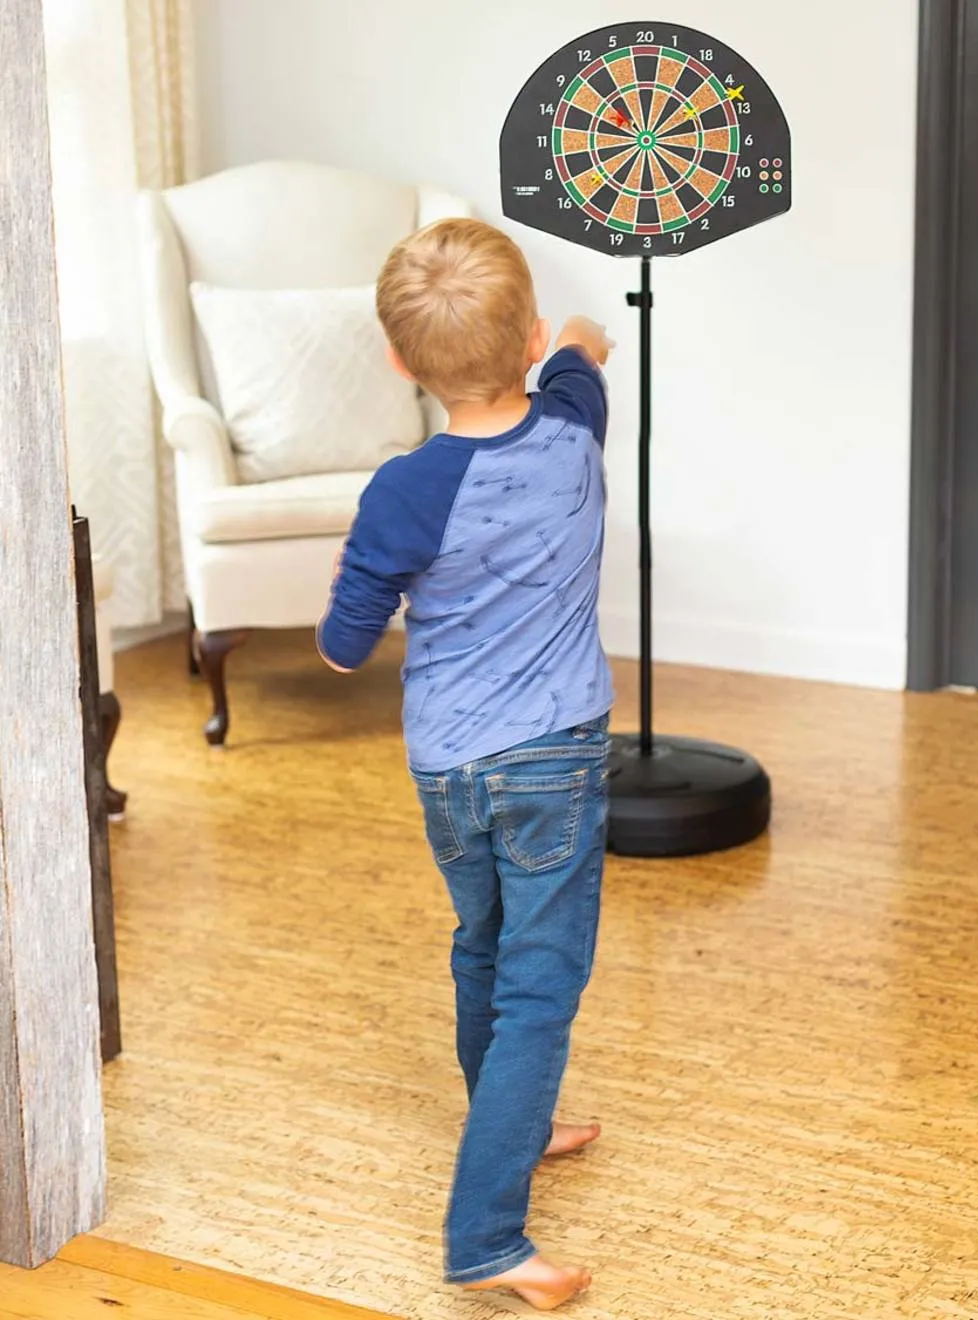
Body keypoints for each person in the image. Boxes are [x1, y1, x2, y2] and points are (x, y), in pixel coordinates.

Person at [317, 217, 614, 1311]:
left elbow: (344, 645)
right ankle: (487, 1235)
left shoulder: (404, 491)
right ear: (527, 340)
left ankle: (516, 1125)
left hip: (448, 769)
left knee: (484, 944)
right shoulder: (576, 423)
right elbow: (583, 357)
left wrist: (355, 595)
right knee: (540, 987)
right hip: (554, 766)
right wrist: (581, 339)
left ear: (401, 362)